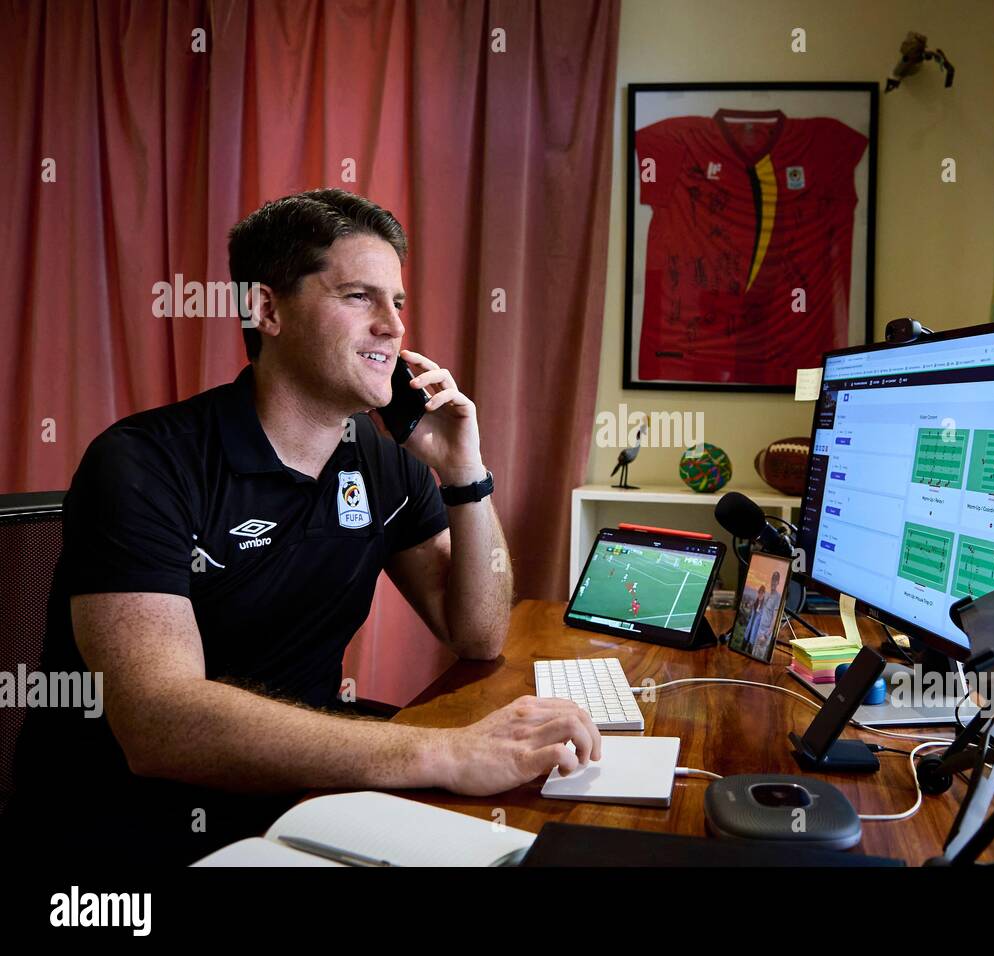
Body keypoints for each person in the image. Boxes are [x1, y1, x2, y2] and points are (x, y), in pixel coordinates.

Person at [9, 189, 600, 865]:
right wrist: (446, 751)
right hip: (126, 829)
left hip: (305, 797)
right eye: (358, 296)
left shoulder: (384, 462)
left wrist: (465, 473)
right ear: (266, 310)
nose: (392, 326)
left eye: (398, 303)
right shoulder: (143, 462)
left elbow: (477, 630)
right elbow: (158, 725)